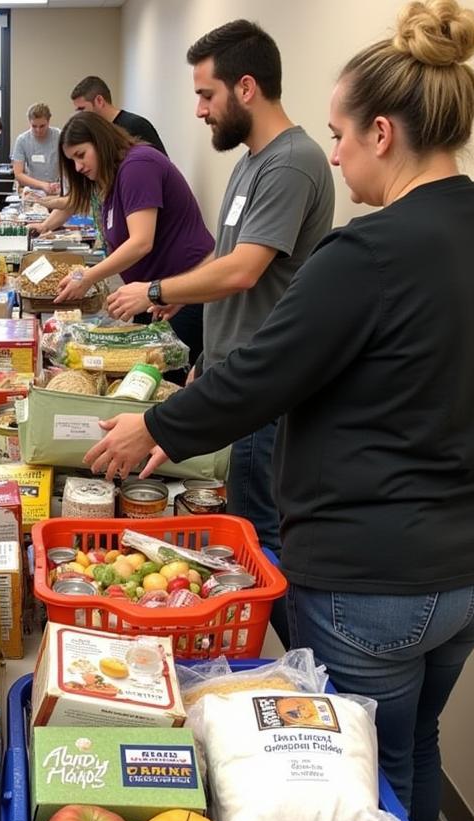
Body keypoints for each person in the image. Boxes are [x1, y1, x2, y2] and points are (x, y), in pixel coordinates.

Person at [86, 4, 474, 821]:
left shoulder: (366, 257)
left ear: (381, 132)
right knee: (415, 740)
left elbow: (259, 376)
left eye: (336, 130)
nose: (330, 152)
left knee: (352, 776)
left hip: (375, 576)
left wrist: (154, 424)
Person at [107, 19, 334, 644]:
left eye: (207, 95)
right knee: (241, 518)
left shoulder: (293, 163)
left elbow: (243, 272)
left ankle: (297, 661)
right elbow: (222, 255)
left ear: (247, 87)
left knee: (257, 530)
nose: (200, 110)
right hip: (231, 367)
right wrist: (200, 350)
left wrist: (156, 289)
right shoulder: (252, 163)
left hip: (264, 384)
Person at [38, 112, 212, 361]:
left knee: (170, 379)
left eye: (81, 155)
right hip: (153, 294)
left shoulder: (138, 165)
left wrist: (87, 277)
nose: (78, 167)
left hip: (185, 290)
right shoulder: (113, 179)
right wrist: (80, 275)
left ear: (100, 141)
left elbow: (141, 242)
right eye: (72, 160)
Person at [70, 75, 167, 155]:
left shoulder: (137, 125)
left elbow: (161, 165)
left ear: (99, 101)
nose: (80, 116)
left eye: (82, 109)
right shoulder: (97, 132)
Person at [11, 103, 62, 194]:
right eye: (34, 126)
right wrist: (43, 185)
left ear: (49, 121)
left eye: (42, 126)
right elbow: (18, 174)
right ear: (29, 122)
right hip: (33, 190)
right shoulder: (22, 140)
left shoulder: (59, 136)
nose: (38, 130)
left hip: (56, 188)